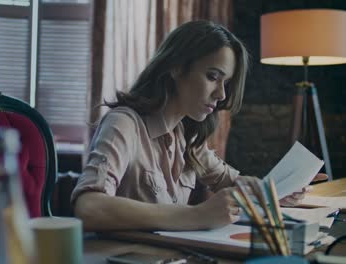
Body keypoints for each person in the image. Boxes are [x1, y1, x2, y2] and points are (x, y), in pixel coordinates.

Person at [71, 20, 327, 231]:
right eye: (212, 77)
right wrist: (196, 215)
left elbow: (234, 184)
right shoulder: (124, 124)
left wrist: (275, 193)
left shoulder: (187, 136)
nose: (221, 95)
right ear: (175, 67)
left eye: (225, 82)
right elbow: (88, 206)